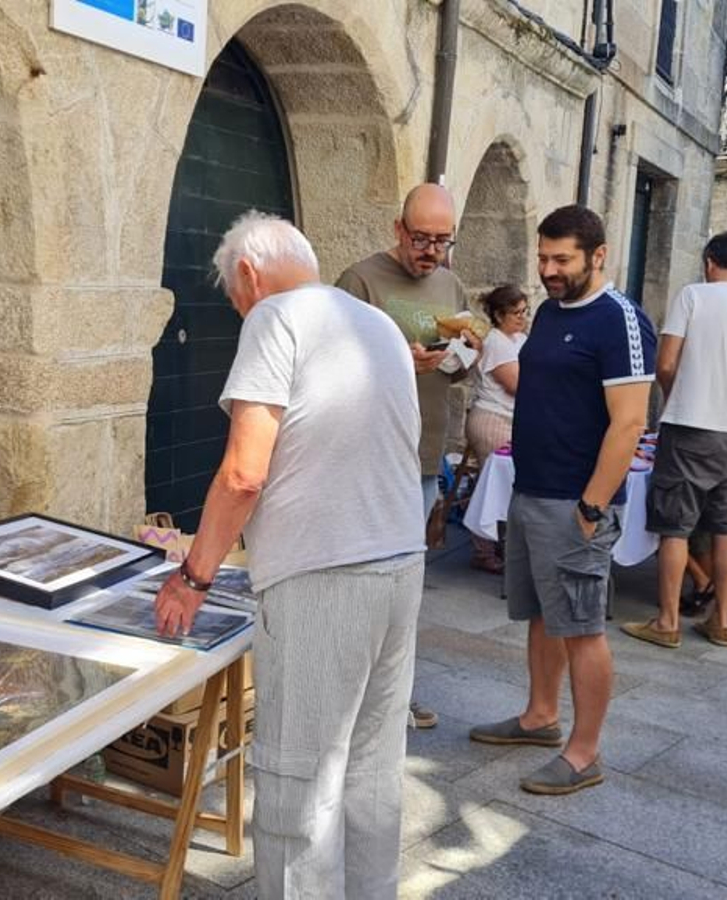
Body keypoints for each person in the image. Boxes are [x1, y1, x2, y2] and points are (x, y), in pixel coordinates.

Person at [154, 211, 425, 899]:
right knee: (370, 770)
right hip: (399, 562)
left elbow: (244, 472)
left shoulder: (274, 320)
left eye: (234, 295)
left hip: (322, 576)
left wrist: (193, 577)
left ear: (248, 273)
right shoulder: (379, 325)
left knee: (296, 783)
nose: (238, 307)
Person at [468, 205, 655, 796]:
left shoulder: (621, 320)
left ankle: (584, 752)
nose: (548, 270)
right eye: (543, 257)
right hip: (532, 488)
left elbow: (629, 424)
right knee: (543, 614)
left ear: (597, 256)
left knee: (582, 627)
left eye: (562, 259)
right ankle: (539, 717)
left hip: (577, 501)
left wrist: (593, 507)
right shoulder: (549, 312)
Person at [337, 183, 479, 730]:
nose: (432, 252)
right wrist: (401, 361)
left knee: (405, 584)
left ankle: (396, 694)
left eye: (443, 241)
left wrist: (466, 355)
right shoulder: (360, 280)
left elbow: (461, 365)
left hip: (423, 455)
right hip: (366, 458)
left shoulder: (450, 284)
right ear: (399, 230)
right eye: (422, 238)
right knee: (359, 579)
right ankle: (351, 691)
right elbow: (332, 366)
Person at [621, 232, 727, 650]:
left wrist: (678, 393)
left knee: (674, 527)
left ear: (709, 261)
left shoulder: (692, 296)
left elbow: (665, 362)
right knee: (726, 526)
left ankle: (667, 621)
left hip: (688, 427)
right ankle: (722, 621)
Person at [465, 285, 530, 572]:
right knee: (493, 485)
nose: (522, 317)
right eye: (516, 313)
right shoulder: (497, 342)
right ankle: (484, 550)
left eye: (525, 311)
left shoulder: (518, 338)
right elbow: (517, 385)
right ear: (499, 314)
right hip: (493, 419)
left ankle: (502, 546)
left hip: (511, 419)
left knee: (505, 484)